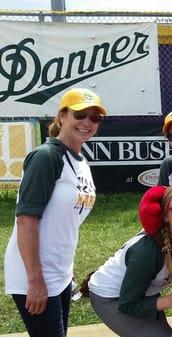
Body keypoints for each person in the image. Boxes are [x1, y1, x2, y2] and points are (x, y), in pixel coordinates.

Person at [3, 88, 107, 337]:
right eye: (80, 114)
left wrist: (65, 269)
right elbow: (26, 221)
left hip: (59, 272)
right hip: (36, 273)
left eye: (95, 117)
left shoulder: (80, 161)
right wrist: (36, 280)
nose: (88, 122)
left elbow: (67, 222)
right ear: (62, 116)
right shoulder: (46, 157)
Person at [88, 184, 172, 337]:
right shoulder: (147, 252)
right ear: (164, 215)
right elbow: (128, 304)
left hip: (145, 292)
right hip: (112, 298)